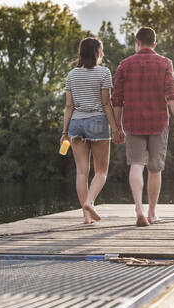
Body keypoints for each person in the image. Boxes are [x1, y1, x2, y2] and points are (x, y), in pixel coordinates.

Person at [112, 27, 174, 226]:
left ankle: (139, 209)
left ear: (136, 42)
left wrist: (117, 128)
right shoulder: (165, 63)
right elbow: (173, 96)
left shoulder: (124, 65)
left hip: (133, 122)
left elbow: (117, 100)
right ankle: (152, 213)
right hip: (158, 122)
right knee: (155, 168)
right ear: (154, 44)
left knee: (136, 165)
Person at [61, 37, 123, 224]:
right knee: (101, 171)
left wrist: (64, 132)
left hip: (76, 124)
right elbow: (106, 103)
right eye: (101, 50)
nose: (102, 53)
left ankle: (86, 217)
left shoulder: (72, 74)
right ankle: (89, 202)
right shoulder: (104, 73)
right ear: (96, 52)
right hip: (97, 122)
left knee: (81, 172)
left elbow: (69, 106)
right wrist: (115, 128)